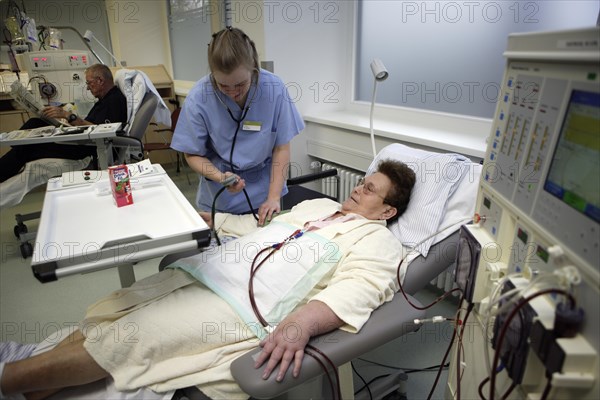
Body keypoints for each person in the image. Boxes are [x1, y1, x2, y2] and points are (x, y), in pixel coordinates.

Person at [0, 159, 416, 400]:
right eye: (362, 182)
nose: (359, 189)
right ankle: (34, 369)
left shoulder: (378, 242)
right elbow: (259, 226)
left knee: (131, 335)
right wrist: (208, 219)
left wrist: (299, 325)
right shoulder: (318, 206)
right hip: (212, 270)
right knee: (117, 307)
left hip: (240, 306)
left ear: (387, 211)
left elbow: (357, 289)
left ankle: (11, 379)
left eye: (370, 189)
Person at [171, 27, 304, 226]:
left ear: (254, 69)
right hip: (220, 196)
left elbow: (281, 147)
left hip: (265, 196)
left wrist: (274, 197)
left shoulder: (274, 89)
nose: (233, 93)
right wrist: (220, 177)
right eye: (223, 86)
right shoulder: (199, 97)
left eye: (241, 84)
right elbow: (191, 154)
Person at [0, 64, 128, 183]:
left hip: (86, 148)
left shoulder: (114, 101)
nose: (88, 87)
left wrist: (67, 115)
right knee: (35, 123)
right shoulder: (104, 99)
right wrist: (64, 121)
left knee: (28, 148)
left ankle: (10, 154)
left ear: (100, 80)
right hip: (82, 141)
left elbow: (101, 130)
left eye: (89, 83)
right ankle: (14, 144)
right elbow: (92, 124)